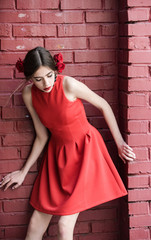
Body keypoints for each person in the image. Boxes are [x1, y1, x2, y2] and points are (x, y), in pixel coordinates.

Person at [0, 47, 135, 240]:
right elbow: (42, 136)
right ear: (29, 78)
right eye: (38, 79)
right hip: (57, 156)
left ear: (56, 70)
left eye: (49, 75)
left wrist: (120, 142)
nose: (46, 83)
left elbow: (103, 104)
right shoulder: (29, 94)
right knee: (36, 224)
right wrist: (23, 171)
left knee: (64, 226)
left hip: (85, 151)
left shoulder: (68, 85)